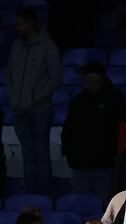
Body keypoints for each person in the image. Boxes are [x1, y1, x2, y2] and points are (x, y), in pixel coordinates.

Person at [6, 7, 60, 196]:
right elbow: (10, 75)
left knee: (41, 154)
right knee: (27, 154)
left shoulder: (48, 46)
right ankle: (30, 195)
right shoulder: (16, 46)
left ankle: (44, 195)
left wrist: (37, 99)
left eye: (20, 24)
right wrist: (13, 99)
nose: (17, 28)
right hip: (19, 110)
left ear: (30, 23)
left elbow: (56, 77)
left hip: (40, 110)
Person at [61, 61, 126, 199]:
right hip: (80, 164)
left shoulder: (115, 98)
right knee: (80, 204)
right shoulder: (78, 101)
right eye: (87, 78)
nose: (89, 82)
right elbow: (68, 130)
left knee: (103, 206)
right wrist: (70, 154)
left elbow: (124, 127)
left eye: (92, 78)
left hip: (105, 163)